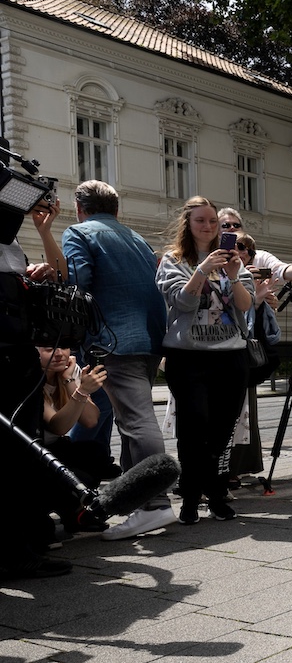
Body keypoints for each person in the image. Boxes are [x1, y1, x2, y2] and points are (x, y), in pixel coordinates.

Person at [62, 180, 178, 540]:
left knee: (137, 422)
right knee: (130, 425)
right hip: (148, 336)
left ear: (80, 208)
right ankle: (137, 504)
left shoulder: (78, 233)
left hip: (112, 338)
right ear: (116, 210)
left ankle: (156, 505)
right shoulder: (136, 238)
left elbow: (78, 282)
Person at [156, 196, 254, 525]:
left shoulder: (233, 260)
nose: (209, 226)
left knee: (221, 430)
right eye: (201, 220)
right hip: (188, 357)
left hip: (231, 357)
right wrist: (202, 269)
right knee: (193, 427)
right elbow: (182, 303)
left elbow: (243, 306)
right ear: (188, 224)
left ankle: (209, 491)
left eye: (214, 221)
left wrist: (234, 274)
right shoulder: (173, 260)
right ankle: (195, 497)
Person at [1, 193, 74, 578]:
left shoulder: (10, 242)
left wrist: (44, 232)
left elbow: (62, 274)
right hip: (6, 355)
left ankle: (24, 542)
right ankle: (14, 549)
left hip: (17, 350)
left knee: (23, 449)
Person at [38, 345, 111, 534]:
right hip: (33, 451)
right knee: (72, 476)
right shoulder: (30, 377)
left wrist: (71, 381)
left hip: (55, 446)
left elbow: (90, 420)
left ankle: (74, 512)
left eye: (64, 347)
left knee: (96, 454)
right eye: (49, 349)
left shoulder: (69, 371)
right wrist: (81, 391)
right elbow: (58, 426)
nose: (60, 354)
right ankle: (46, 514)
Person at [226, 232, 281, 483]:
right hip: (223, 348)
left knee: (242, 417)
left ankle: (235, 468)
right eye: (236, 246)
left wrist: (266, 301)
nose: (241, 252)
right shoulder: (221, 271)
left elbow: (260, 323)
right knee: (227, 416)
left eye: (246, 249)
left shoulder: (250, 275)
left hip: (246, 353)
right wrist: (256, 300)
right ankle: (222, 471)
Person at [218, 207, 292, 284]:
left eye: (236, 225)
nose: (232, 228)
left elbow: (280, 270)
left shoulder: (260, 256)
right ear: (217, 232)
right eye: (226, 225)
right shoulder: (213, 257)